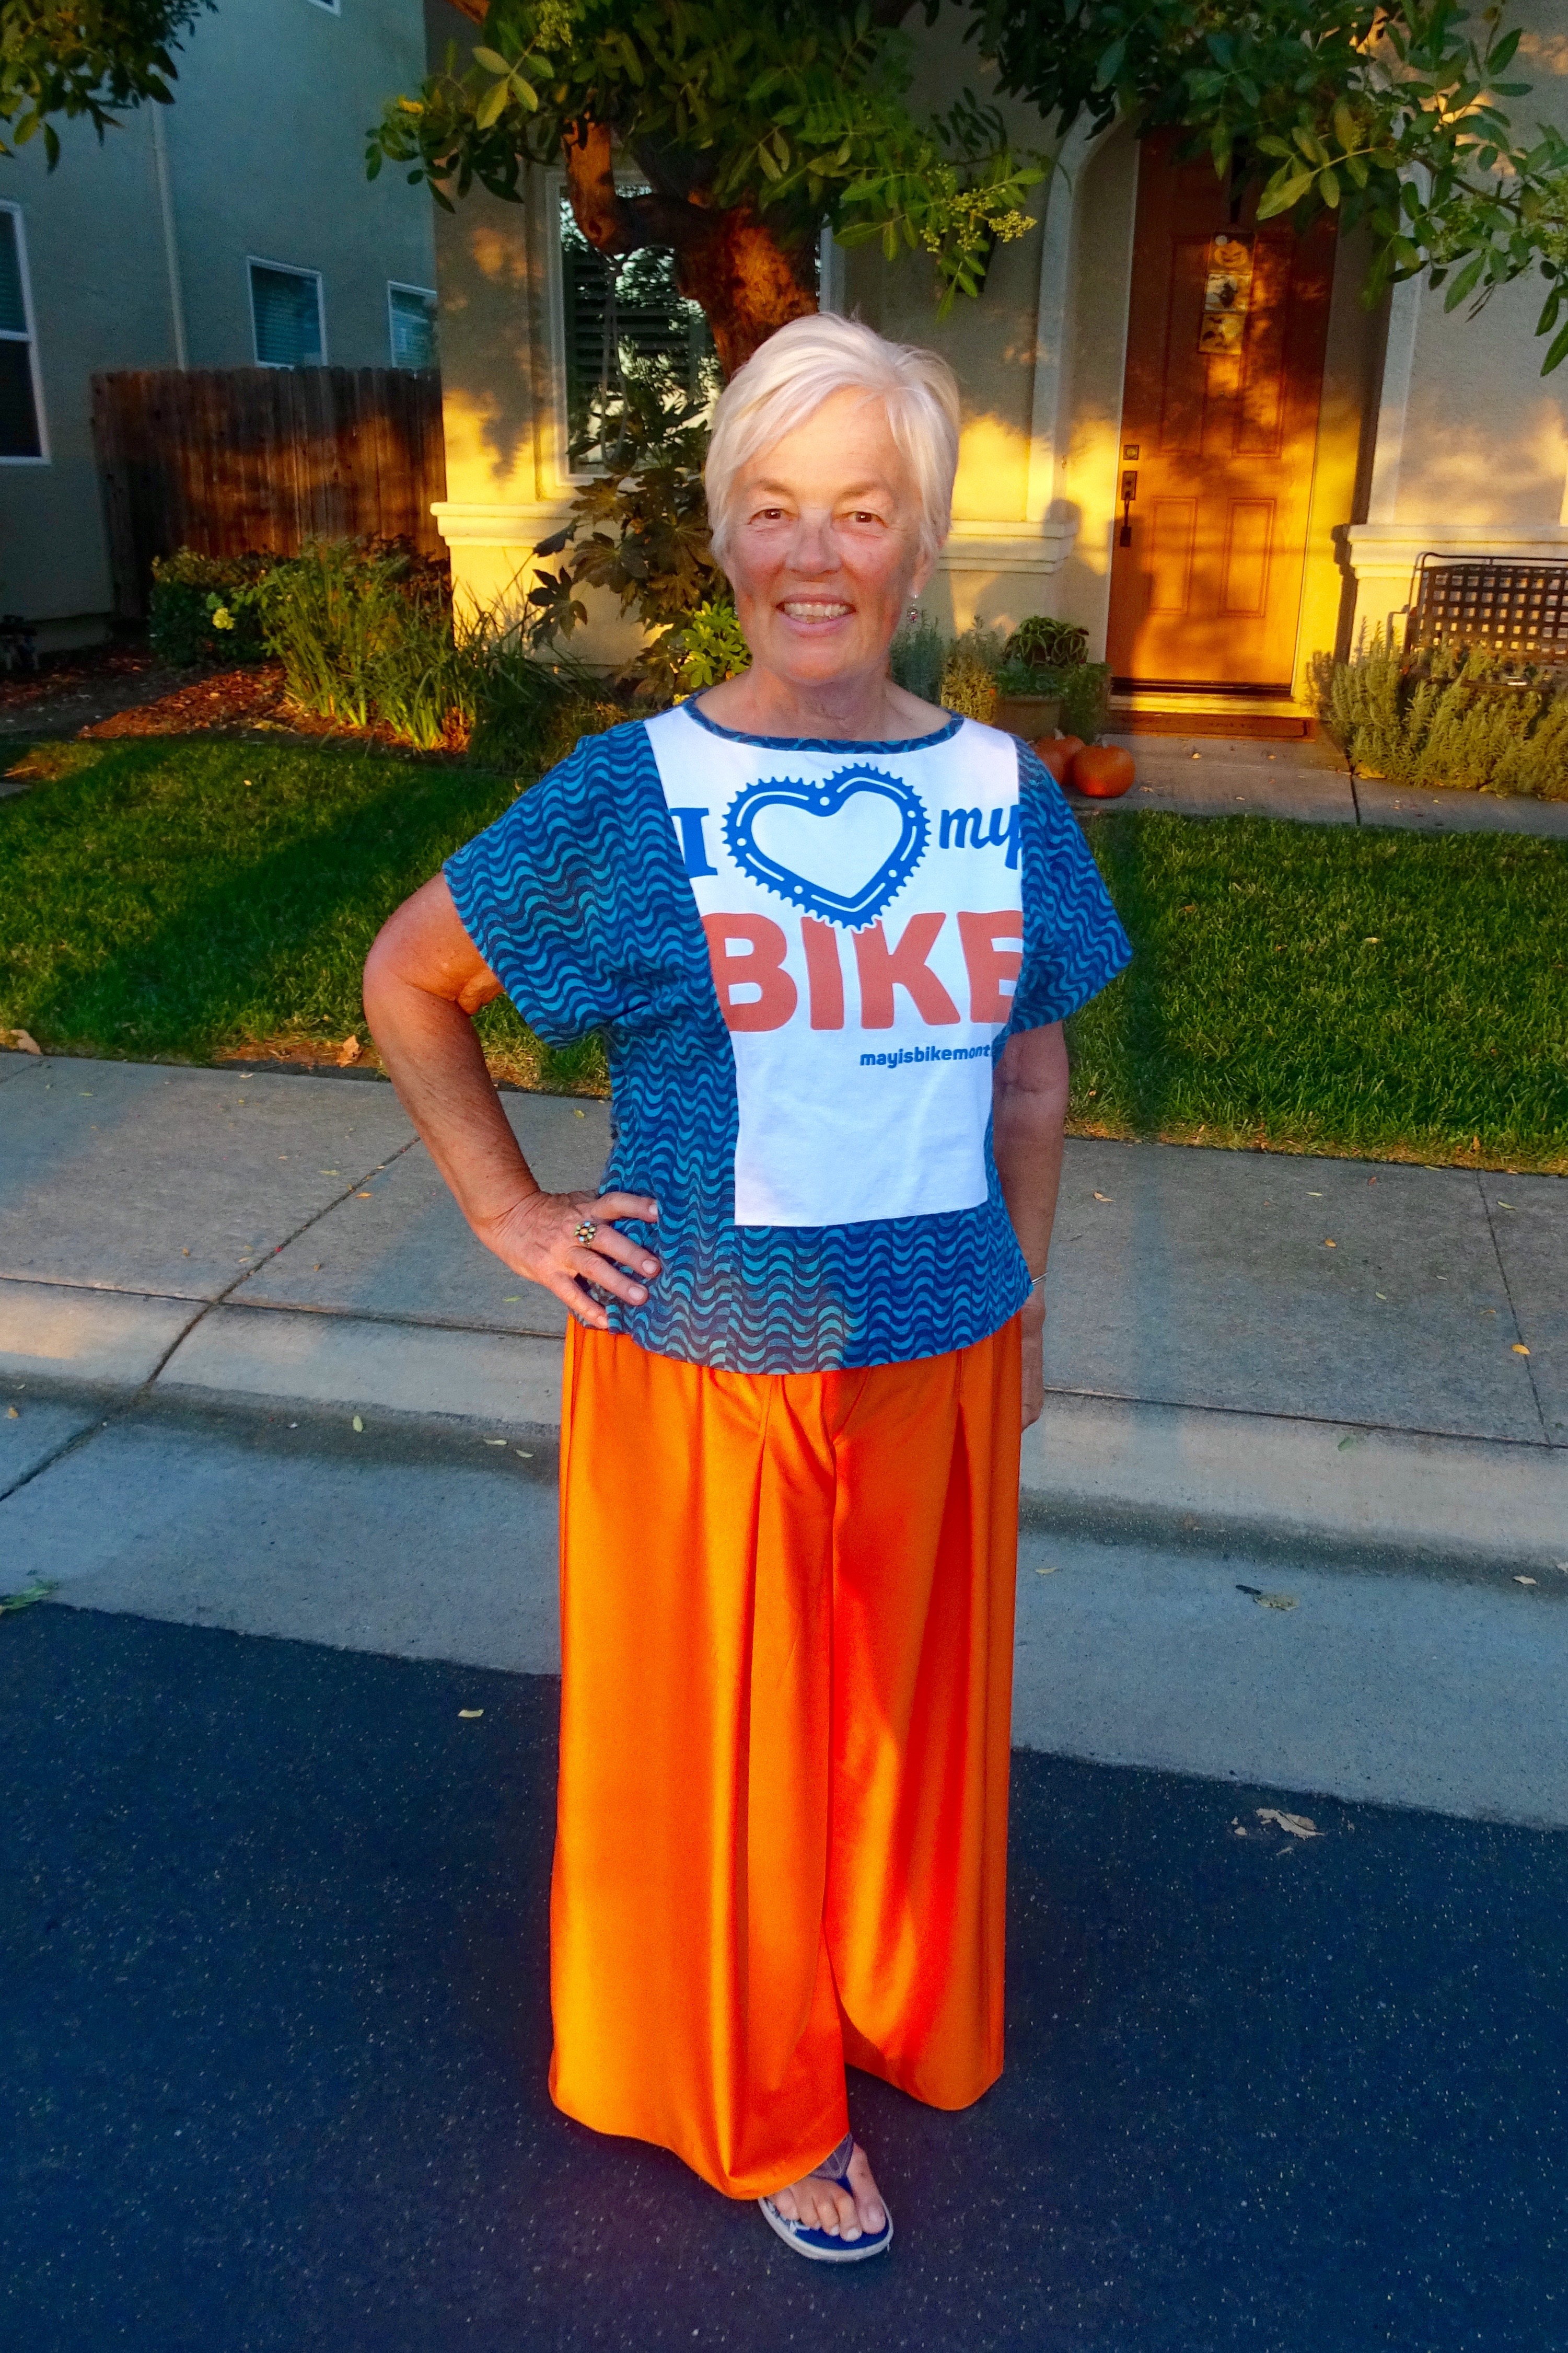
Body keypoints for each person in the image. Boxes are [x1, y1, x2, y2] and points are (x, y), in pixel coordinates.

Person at [363, 312, 1131, 2263]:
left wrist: (1024, 1307)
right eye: (774, 507)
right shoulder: (633, 793)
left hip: (941, 1347)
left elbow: (1030, 1080)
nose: (813, 554)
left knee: (897, 1738)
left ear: (920, 546)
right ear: (720, 539)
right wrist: (511, 1213)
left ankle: (886, 2006)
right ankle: (753, 2099)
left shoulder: (1004, 788)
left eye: (861, 511)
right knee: (727, 1765)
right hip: (706, 1354)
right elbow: (409, 977)